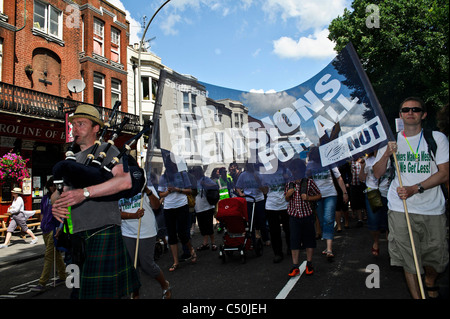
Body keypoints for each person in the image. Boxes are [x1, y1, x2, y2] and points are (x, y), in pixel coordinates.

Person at [51, 104, 140, 299]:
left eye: (81, 124)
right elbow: (59, 192)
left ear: (96, 128)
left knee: (98, 295)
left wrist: (85, 193)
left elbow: (124, 182)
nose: (75, 129)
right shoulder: (72, 158)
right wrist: (55, 203)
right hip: (73, 238)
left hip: (101, 231)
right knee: (75, 290)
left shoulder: (108, 151)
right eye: (73, 124)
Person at [373, 97, 449, 299]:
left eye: (415, 109)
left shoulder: (437, 138)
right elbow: (377, 173)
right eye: (405, 109)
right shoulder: (392, 140)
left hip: (432, 209)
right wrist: (386, 154)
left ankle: (430, 280)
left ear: (423, 114)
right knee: (410, 260)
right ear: (400, 115)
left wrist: (416, 188)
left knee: (436, 260)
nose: (410, 112)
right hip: (400, 209)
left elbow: (444, 173)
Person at [119, 185, 171, 299]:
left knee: (147, 264)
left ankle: (165, 285)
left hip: (146, 231)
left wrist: (147, 191)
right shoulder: (118, 189)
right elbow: (116, 213)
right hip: (127, 232)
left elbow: (157, 206)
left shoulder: (147, 188)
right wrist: (133, 215)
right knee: (131, 266)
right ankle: (135, 293)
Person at [306, 147, 349, 261]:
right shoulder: (310, 164)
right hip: (317, 196)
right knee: (321, 219)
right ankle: (327, 245)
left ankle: (329, 249)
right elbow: (306, 179)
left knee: (328, 218)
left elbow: (339, 178)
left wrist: (345, 193)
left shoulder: (330, 163)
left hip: (330, 194)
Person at [158, 158, 196, 272]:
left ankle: (191, 250)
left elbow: (189, 190)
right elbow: (161, 194)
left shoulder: (182, 175)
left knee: (182, 232)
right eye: (170, 165)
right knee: (171, 234)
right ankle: (176, 262)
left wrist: (177, 189)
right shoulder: (164, 177)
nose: (172, 167)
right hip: (169, 207)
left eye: (174, 165)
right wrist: (169, 191)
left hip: (182, 205)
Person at [285, 158, 321, 276]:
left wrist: (308, 198)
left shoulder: (309, 182)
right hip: (294, 216)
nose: (294, 172)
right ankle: (295, 266)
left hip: (307, 215)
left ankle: (309, 263)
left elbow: (319, 195)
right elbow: (286, 198)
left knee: (309, 240)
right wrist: (288, 194)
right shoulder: (289, 183)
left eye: (295, 170)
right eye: (292, 170)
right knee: (294, 240)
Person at [31, 178, 67, 291]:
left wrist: (60, 228)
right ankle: (62, 275)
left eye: (56, 186)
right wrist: (41, 225)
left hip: (53, 228)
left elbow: (63, 214)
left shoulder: (59, 198)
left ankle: (42, 283)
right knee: (56, 255)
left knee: (48, 256)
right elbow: (42, 213)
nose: (54, 188)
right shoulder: (45, 198)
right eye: (52, 185)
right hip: (45, 229)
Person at [260, 160, 292, 263]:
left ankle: (291, 248)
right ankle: (278, 253)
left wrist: (287, 178)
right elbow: (264, 191)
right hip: (271, 205)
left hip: (285, 204)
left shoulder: (286, 170)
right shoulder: (265, 173)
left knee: (288, 229)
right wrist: (260, 183)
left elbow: (293, 185)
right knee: (274, 231)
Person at [359, 152, 389, 257]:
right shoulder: (368, 160)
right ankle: (376, 241)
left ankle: (391, 244)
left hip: (388, 193)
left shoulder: (391, 157)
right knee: (374, 222)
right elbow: (362, 179)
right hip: (373, 193)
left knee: (389, 221)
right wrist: (362, 167)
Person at [235, 161, 269, 246]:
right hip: (249, 200)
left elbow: (265, 190)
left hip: (259, 199)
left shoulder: (259, 174)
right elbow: (237, 186)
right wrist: (240, 193)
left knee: (262, 219)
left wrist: (258, 181)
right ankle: (252, 240)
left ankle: (266, 238)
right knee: (250, 221)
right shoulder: (243, 175)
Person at [191, 166, 217, 251]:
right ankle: (205, 243)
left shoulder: (205, 179)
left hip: (207, 207)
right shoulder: (193, 181)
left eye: (195, 171)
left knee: (209, 226)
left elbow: (215, 186)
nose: (194, 173)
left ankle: (213, 243)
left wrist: (205, 184)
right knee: (202, 227)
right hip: (198, 208)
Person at [350, 157, 366, 227]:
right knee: (357, 202)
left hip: (362, 184)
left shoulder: (363, 160)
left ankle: (366, 215)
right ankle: (360, 219)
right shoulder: (351, 162)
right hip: (354, 184)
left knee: (363, 201)